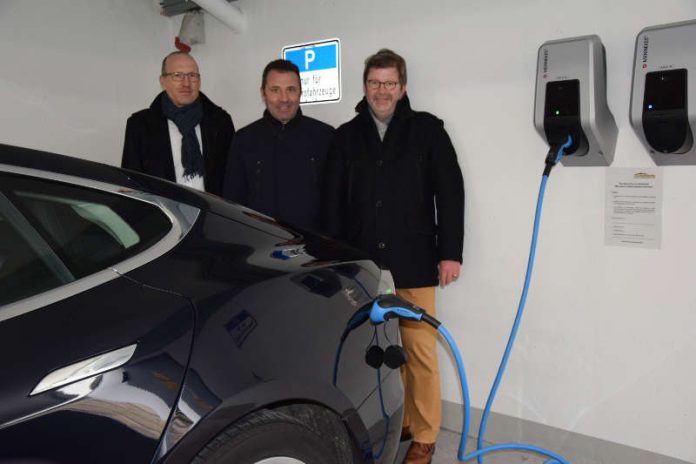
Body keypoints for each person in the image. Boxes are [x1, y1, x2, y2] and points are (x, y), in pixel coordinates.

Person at [323, 49, 464, 464]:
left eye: (389, 83)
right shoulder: (345, 137)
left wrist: (449, 253)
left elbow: (450, 194)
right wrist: (337, 258)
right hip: (364, 265)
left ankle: (424, 436)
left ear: (402, 88)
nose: (381, 91)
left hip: (417, 259)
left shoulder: (428, 131)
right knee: (382, 351)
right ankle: (398, 419)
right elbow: (332, 203)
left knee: (419, 352)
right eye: (374, 83)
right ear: (364, 87)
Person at [223, 59, 333, 231]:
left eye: (291, 89)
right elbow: (233, 204)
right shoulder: (244, 140)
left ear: (300, 92)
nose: (284, 99)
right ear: (263, 93)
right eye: (275, 90)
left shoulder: (325, 136)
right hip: (260, 247)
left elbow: (334, 204)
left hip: (314, 249)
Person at [122, 51, 235, 196]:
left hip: (213, 213)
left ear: (199, 80)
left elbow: (232, 177)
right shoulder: (140, 125)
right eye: (177, 75)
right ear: (163, 81)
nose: (186, 83)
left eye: (192, 76)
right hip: (163, 212)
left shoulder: (220, 122)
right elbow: (132, 183)